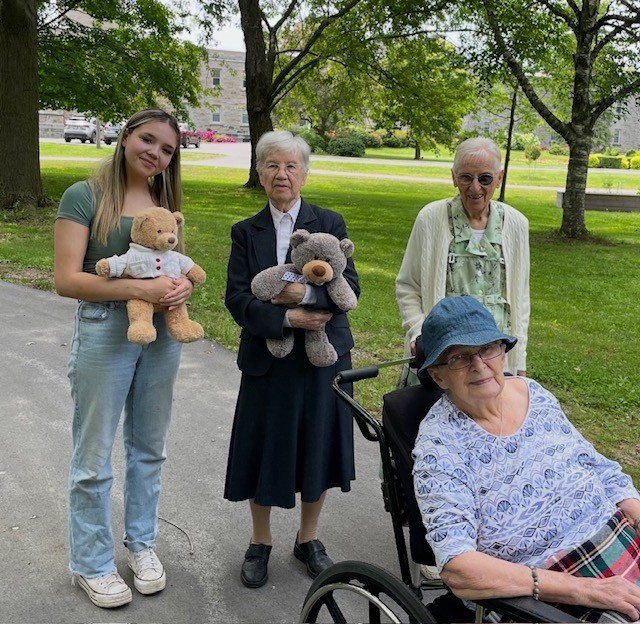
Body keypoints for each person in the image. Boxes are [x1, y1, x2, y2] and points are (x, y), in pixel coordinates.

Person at [413, 296, 640, 622]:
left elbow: (595, 463)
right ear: (439, 376)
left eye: (487, 348)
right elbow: (458, 567)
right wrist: (584, 589)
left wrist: (636, 510)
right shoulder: (440, 449)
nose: (479, 365)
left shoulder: (532, 392)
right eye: (459, 358)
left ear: (501, 351)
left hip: (616, 538)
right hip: (549, 585)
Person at [54, 109, 194, 609]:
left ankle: (141, 545)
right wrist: (140, 287)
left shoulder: (165, 201)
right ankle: (91, 562)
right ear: (126, 135)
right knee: (93, 456)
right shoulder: (85, 195)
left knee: (149, 447)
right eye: (147, 139)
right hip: (103, 331)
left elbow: (174, 266)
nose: (155, 153)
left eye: (167, 149)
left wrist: (176, 292)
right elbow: (67, 279)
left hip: (160, 334)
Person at [224, 130, 360, 589]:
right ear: (260, 173)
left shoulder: (331, 221)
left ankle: (308, 539)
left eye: (291, 166)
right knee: (263, 447)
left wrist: (299, 294)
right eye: (272, 166)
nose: (282, 175)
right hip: (268, 357)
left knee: (317, 446)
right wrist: (287, 320)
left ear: (304, 172)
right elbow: (238, 298)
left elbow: (350, 290)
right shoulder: (246, 231)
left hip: (325, 358)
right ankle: (260, 541)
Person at [396, 137, 530, 382]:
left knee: (489, 417)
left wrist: (519, 359)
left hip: (494, 356)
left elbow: (520, 299)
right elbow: (408, 286)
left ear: (499, 179)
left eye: (485, 178)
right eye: (466, 177)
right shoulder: (430, 218)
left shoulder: (517, 224)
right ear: (454, 177)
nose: (475, 188)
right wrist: (419, 332)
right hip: (444, 353)